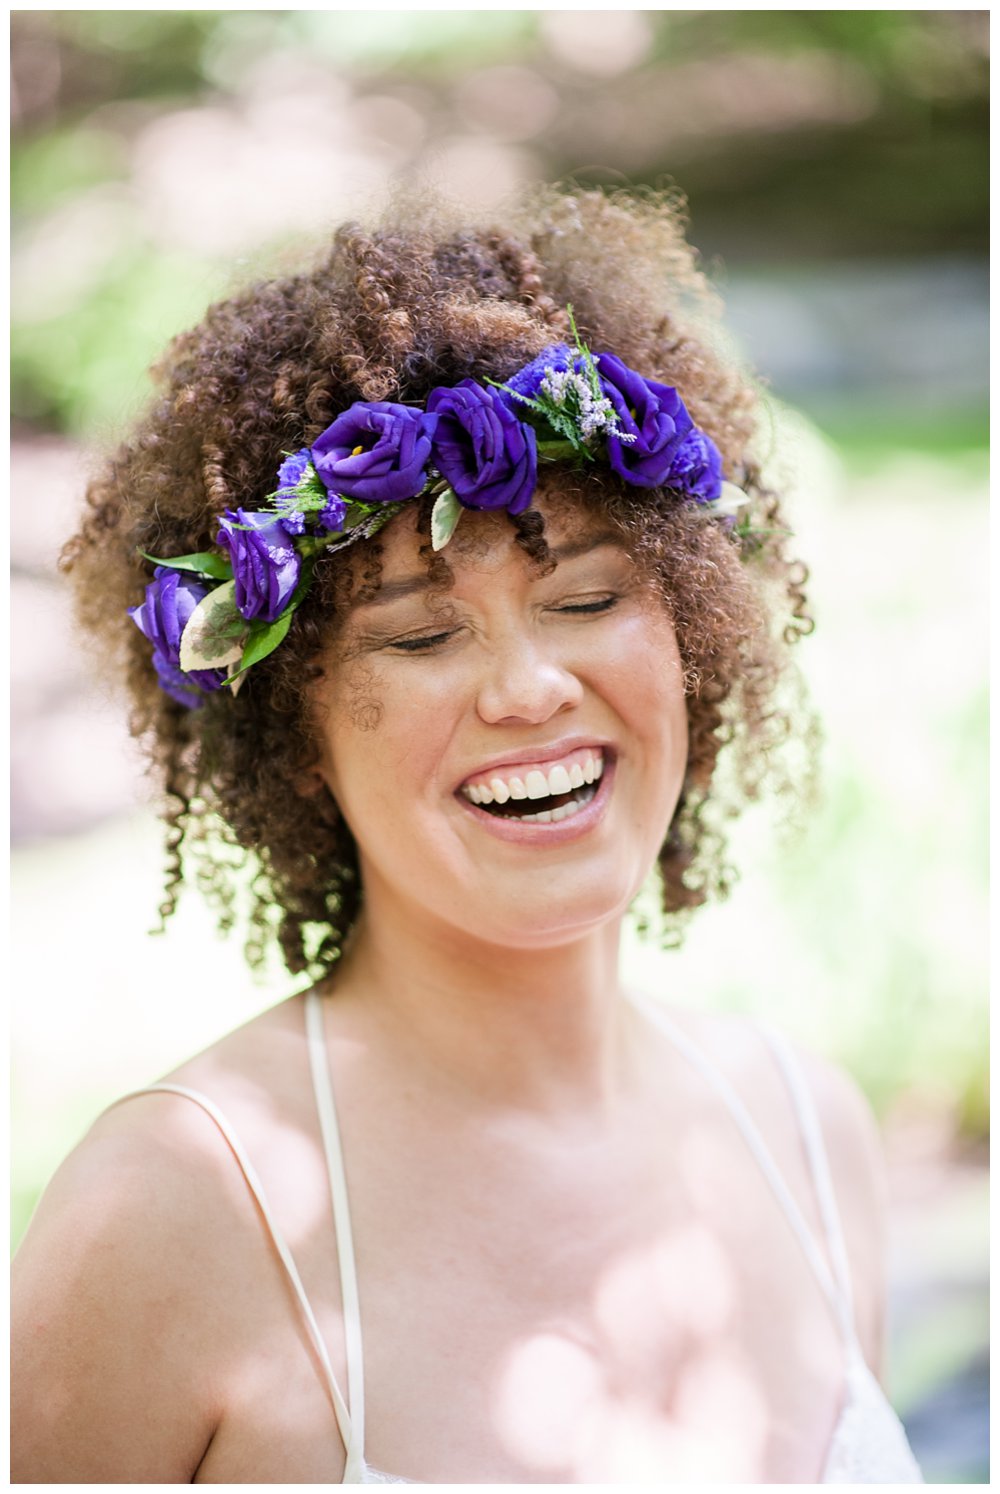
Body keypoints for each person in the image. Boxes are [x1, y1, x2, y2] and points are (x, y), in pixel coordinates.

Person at [11, 187, 922, 1484]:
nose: (527, 687)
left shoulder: (807, 1135)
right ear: (293, 721)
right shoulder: (174, 1209)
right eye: (422, 633)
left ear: (692, 630)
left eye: (589, 596)